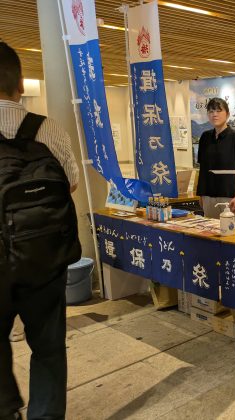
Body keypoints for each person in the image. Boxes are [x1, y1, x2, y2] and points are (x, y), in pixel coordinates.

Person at [0, 41, 80, 420]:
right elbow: (71, 184)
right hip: (44, 261)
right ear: (20, 85)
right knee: (48, 349)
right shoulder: (48, 129)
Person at [196, 97, 235, 222]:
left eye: (218, 111)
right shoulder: (205, 137)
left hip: (229, 196)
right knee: (210, 230)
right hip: (208, 195)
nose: (214, 114)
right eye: (211, 111)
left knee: (234, 230)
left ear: (227, 114)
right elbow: (202, 169)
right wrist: (200, 194)